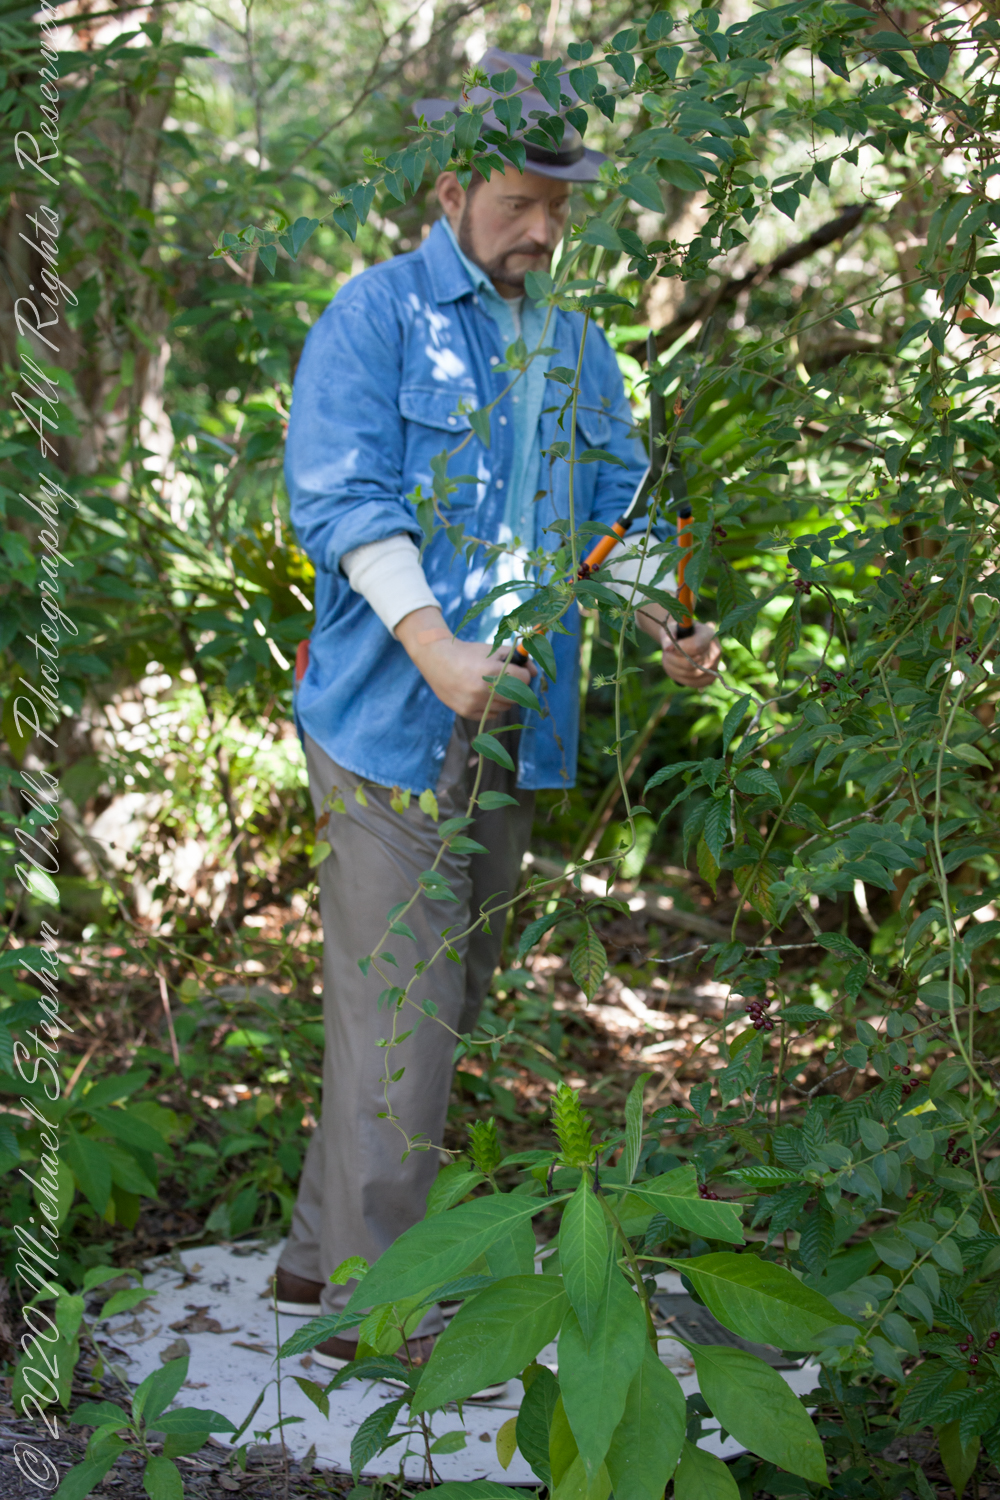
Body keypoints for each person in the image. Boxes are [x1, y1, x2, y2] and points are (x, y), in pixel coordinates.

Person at [276, 49, 720, 1371]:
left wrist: (664, 620)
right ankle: (377, 1317)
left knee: (435, 996)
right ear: (452, 188)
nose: (542, 230)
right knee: (405, 1011)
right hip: (387, 715)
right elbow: (344, 499)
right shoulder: (376, 317)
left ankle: (314, 1256)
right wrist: (433, 646)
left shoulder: (573, 347)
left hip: (516, 723)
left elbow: (615, 505)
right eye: (520, 202)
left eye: (560, 207)